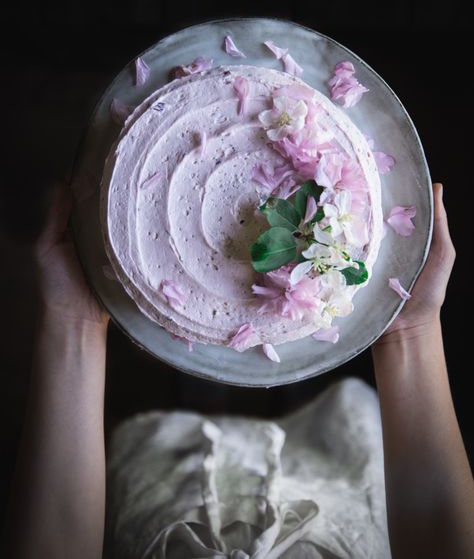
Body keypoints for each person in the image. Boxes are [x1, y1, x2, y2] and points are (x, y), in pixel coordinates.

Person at [1, 182, 473, 558]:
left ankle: (215, 365)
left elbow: (56, 541)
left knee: (202, 366)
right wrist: (409, 331)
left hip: (172, 481)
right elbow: (438, 532)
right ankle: (258, 357)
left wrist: (74, 322)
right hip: (335, 478)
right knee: (330, 398)